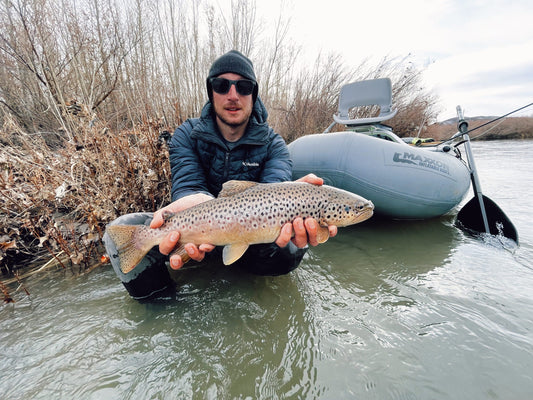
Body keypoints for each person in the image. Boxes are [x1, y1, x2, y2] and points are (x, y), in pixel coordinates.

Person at [103, 50, 336, 299]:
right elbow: (188, 185)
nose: (233, 95)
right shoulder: (187, 134)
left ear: (254, 94)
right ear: (211, 91)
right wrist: (194, 202)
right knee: (119, 230)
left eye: (244, 87)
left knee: (292, 246)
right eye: (222, 85)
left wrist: (296, 197)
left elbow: (275, 189)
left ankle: (249, 288)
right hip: (194, 231)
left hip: (253, 234)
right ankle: (161, 306)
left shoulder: (274, 144)